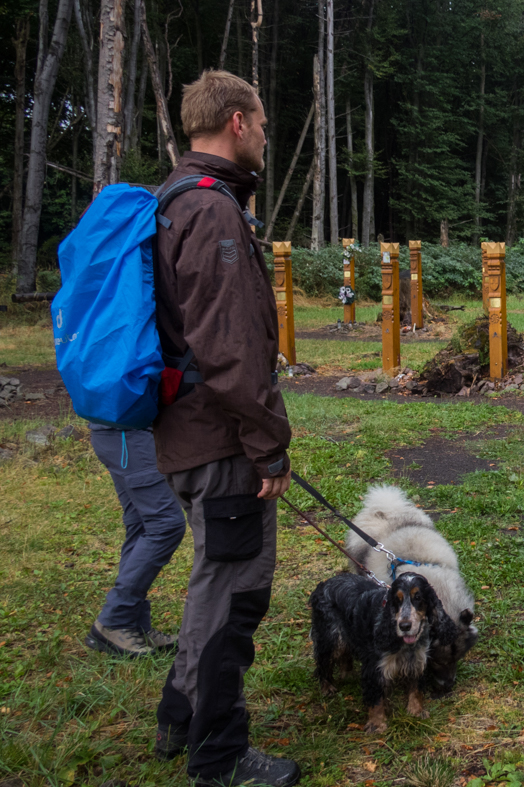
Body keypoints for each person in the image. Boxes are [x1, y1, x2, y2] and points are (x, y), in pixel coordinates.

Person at [150, 70, 297, 787]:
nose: (266, 136)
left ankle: (179, 712)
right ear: (237, 121)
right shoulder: (212, 213)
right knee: (237, 590)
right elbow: (231, 345)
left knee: (213, 578)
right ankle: (219, 755)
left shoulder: (176, 198)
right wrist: (269, 442)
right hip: (219, 440)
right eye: (263, 124)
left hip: (191, 433)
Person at [84, 425, 186, 657]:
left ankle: (133, 624)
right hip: (127, 434)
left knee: (142, 524)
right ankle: (115, 619)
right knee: (166, 524)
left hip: (116, 433)